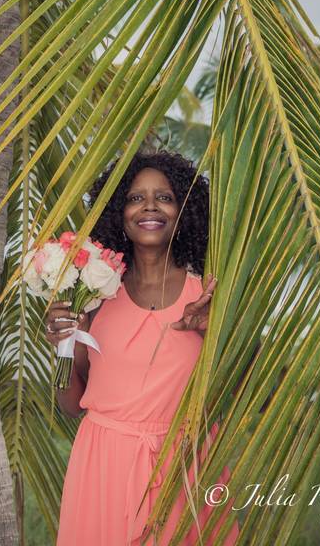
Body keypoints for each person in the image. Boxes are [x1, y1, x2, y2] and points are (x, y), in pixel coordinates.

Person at [44, 150, 240, 545]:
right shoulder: (94, 296)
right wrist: (63, 345)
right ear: (119, 212)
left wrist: (207, 331)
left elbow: (238, 390)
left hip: (186, 469)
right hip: (104, 467)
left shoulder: (207, 293)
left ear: (184, 211)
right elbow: (70, 404)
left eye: (164, 197)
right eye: (135, 198)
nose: (149, 206)